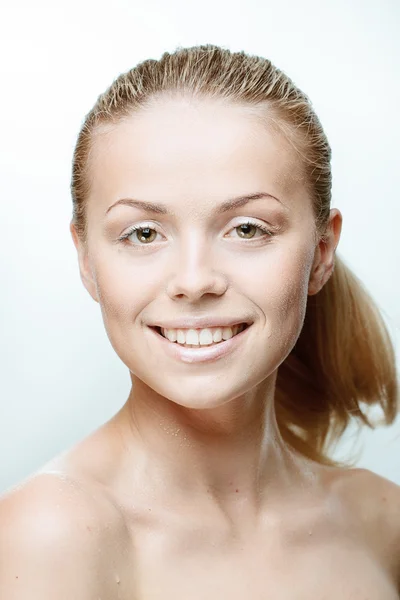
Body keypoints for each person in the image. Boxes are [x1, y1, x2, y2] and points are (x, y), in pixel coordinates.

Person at [0, 44, 399, 598]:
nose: (194, 279)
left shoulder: (383, 523)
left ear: (322, 250)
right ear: (86, 260)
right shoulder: (50, 536)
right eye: (143, 233)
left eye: (247, 229)